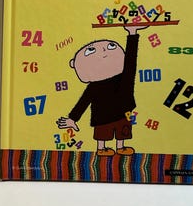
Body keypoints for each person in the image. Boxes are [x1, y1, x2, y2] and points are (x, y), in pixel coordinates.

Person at [57, 24, 146, 156]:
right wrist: (73, 118)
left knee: (123, 130)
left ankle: (120, 146)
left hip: (123, 113)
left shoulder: (124, 77)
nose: (103, 51)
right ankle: (101, 148)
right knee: (103, 132)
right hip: (102, 116)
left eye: (111, 46)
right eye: (91, 50)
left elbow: (131, 60)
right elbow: (83, 102)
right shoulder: (94, 87)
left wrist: (132, 34)